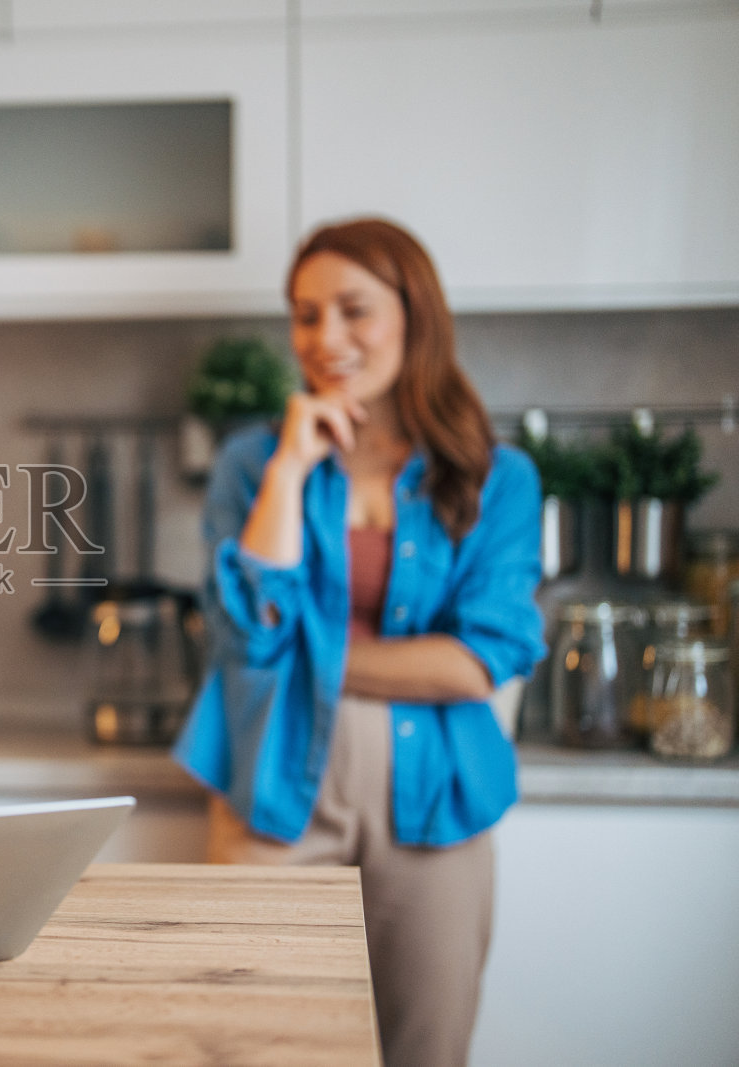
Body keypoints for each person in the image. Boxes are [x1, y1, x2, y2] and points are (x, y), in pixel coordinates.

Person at [171, 218, 546, 1067]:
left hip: (436, 802)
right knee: (254, 1051)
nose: (325, 338)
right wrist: (290, 468)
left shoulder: (498, 476)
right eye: (306, 315)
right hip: (271, 792)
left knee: (425, 1048)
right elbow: (244, 631)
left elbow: (474, 663)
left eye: (353, 310)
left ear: (416, 316)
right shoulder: (252, 463)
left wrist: (304, 656)